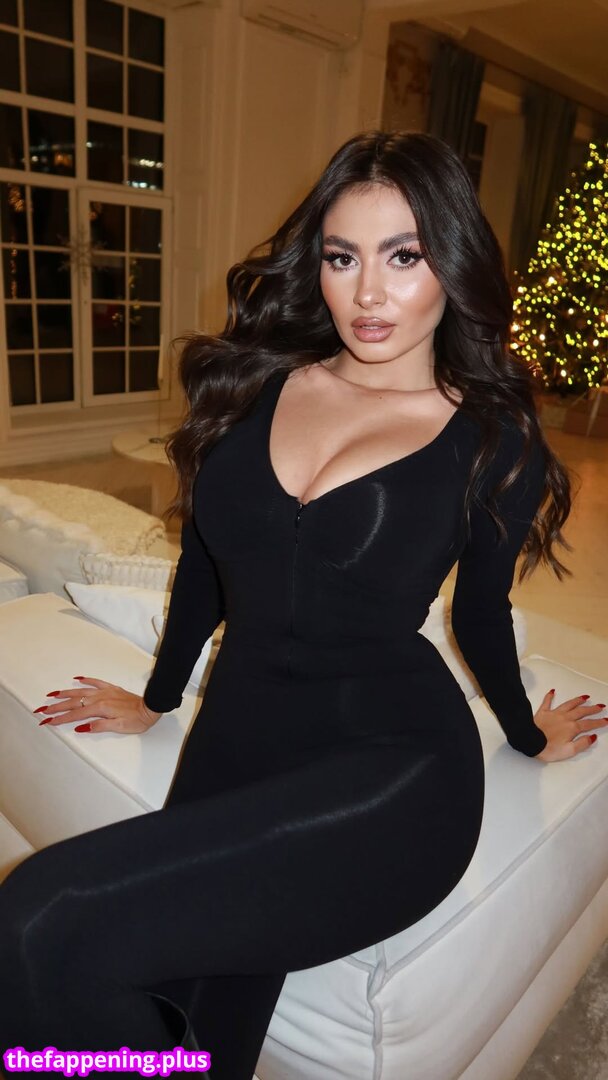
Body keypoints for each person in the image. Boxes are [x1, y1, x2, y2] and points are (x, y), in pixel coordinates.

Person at [0, 130, 604, 1080]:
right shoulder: (254, 386)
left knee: (37, 914)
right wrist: (158, 697)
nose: (369, 294)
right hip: (241, 734)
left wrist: (528, 733)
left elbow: (480, 617)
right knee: (188, 1024)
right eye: (342, 256)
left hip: (397, 770)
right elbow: (207, 564)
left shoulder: (495, 441)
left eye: (404, 256)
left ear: (452, 266)